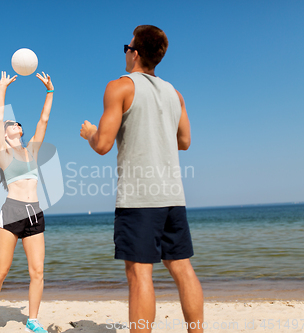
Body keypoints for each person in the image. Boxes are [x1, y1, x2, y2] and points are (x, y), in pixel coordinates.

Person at [80, 25, 203, 332]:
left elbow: (103, 145)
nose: (125, 52)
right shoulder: (175, 93)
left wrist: (89, 134)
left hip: (139, 198)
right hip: (174, 196)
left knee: (139, 274)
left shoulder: (119, 87)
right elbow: (185, 140)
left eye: (127, 46)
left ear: (134, 53)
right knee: (182, 268)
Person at [0, 71, 54, 333]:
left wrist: (50, 92)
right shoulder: (4, 152)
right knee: (1, 270)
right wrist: (2, 87)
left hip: (35, 213)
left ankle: (32, 319)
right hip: (12, 212)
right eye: (12, 124)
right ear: (7, 133)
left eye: (17, 123)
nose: (15, 124)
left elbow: (43, 120)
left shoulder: (31, 150)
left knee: (37, 272)